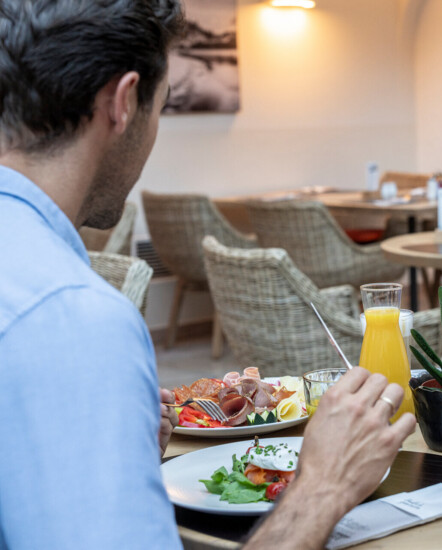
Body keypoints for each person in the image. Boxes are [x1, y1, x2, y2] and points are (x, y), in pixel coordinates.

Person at [0, 2, 414, 549]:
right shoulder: (77, 318)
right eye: (162, 107)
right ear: (123, 102)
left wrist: (114, 457)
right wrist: (322, 486)